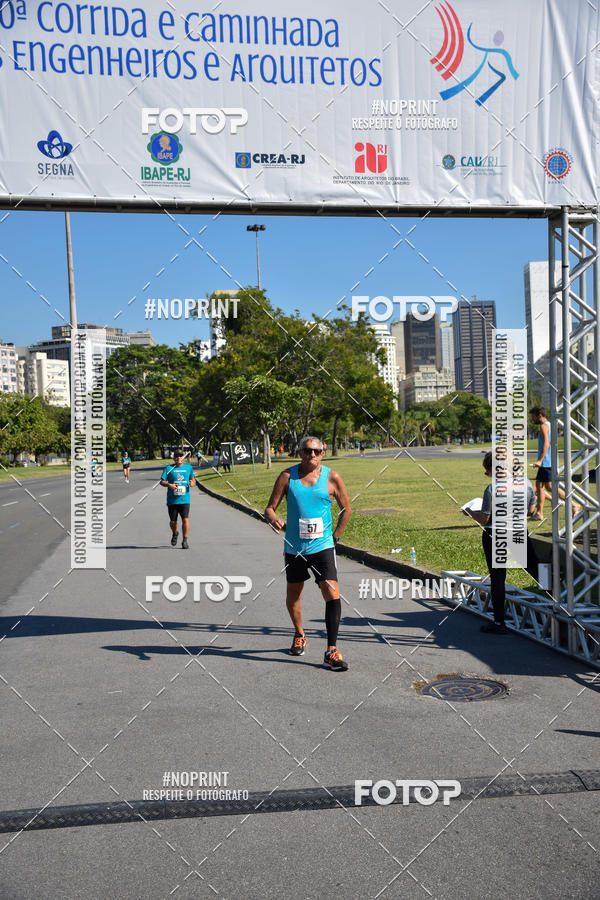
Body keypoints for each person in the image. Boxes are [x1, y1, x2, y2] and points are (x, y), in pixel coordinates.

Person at [265, 435, 352, 671]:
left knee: (332, 593)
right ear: (300, 452)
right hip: (294, 548)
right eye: (307, 451)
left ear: (323, 453)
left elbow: (346, 509)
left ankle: (332, 650)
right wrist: (274, 519)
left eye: (316, 451)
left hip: (322, 546)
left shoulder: (332, 477)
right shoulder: (287, 476)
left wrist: (335, 537)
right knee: (294, 593)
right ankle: (299, 633)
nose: (311, 455)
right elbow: (269, 508)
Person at [463, 451, 538, 634]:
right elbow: (531, 510)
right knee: (534, 569)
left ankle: (499, 622)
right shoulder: (527, 484)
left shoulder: (492, 489)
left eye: (487, 471)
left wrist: (469, 512)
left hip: (495, 534)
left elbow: (484, 519)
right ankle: (560, 599)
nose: (488, 475)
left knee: (497, 578)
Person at [530, 406, 580, 520]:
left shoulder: (543, 426)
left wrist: (540, 460)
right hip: (549, 461)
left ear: (539, 415)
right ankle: (572, 505)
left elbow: (547, 444)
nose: (532, 419)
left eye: (533, 416)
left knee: (540, 486)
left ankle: (540, 513)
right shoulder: (549, 425)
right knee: (547, 486)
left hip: (547, 462)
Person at [160, 449, 196, 549]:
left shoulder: (188, 468)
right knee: (173, 522)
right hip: (172, 500)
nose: (178, 458)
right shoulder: (169, 468)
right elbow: (162, 482)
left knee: (185, 519)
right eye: (176, 456)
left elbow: (193, 480)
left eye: (180, 456)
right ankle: (175, 533)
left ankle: (185, 540)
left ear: (183, 458)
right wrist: (169, 485)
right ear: (174, 458)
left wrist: (192, 483)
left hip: (185, 499)